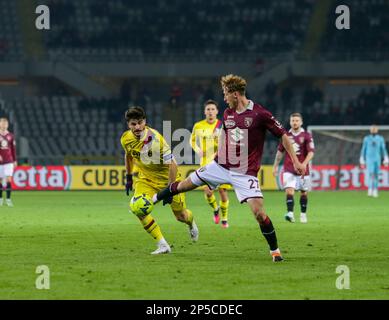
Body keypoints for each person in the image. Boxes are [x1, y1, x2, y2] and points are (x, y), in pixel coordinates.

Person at [153, 74, 306, 262]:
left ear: (235, 94)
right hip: (220, 166)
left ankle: (275, 251)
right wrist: (217, 158)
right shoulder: (227, 113)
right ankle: (152, 199)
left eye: (225, 94)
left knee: (259, 213)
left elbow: (283, 136)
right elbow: (225, 132)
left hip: (245, 173)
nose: (224, 98)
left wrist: (297, 161)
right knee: (184, 185)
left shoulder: (260, 114)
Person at [120, 106, 199, 255]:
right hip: (146, 180)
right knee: (138, 209)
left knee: (180, 216)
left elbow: (173, 164)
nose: (137, 127)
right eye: (133, 124)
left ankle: (191, 222)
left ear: (145, 122)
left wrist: (169, 189)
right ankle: (163, 245)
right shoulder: (126, 138)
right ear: (128, 125)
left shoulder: (156, 140)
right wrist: (129, 176)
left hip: (168, 180)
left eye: (139, 123)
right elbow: (128, 155)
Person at [190, 99, 230, 228]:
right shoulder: (198, 125)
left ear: (217, 111)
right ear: (204, 112)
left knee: (223, 193)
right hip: (206, 164)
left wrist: (219, 152)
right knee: (208, 193)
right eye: (208, 109)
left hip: (221, 163)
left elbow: (227, 143)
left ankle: (224, 218)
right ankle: (215, 208)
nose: (210, 112)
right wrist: (197, 150)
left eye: (213, 109)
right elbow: (192, 141)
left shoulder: (221, 125)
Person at [272, 113, 315, 223]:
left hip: (303, 170)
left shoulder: (306, 135)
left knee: (303, 192)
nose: (295, 122)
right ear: (290, 122)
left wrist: (304, 164)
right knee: (289, 190)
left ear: (301, 122)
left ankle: (303, 214)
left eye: (297, 120)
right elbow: (280, 152)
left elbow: (311, 152)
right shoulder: (285, 135)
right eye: (293, 120)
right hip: (289, 168)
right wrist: (275, 166)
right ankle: (290, 213)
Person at [359, 125, 389, 197]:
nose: (373, 131)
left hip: (377, 158)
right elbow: (364, 149)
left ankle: (375, 189)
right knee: (371, 174)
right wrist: (362, 158)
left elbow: (383, 148)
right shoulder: (367, 138)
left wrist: (385, 157)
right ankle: (370, 189)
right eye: (372, 130)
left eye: (375, 130)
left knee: (376, 174)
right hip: (369, 158)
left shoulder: (380, 138)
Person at [0, 117, 17, 207]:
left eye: (5, 124)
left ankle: (8, 199)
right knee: (0, 180)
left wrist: (14, 160)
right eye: (2, 123)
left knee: (8, 180)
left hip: (9, 161)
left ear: (7, 125)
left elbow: (13, 149)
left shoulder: (11, 135)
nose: (4, 125)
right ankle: (0, 199)